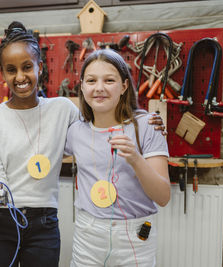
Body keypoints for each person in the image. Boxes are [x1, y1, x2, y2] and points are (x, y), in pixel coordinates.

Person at [0, 22, 165, 267]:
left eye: (27, 67)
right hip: (0, 221)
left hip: (44, 222)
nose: (20, 77)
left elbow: (97, 127)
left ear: (40, 67)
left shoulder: (63, 110)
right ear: (2, 73)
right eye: (11, 70)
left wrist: (145, 120)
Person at [65, 49, 170, 267]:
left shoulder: (147, 126)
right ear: (82, 86)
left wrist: (135, 159)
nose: (99, 88)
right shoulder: (74, 131)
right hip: (87, 234)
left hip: (135, 237)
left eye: (109, 80)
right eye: (91, 80)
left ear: (123, 86)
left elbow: (163, 196)